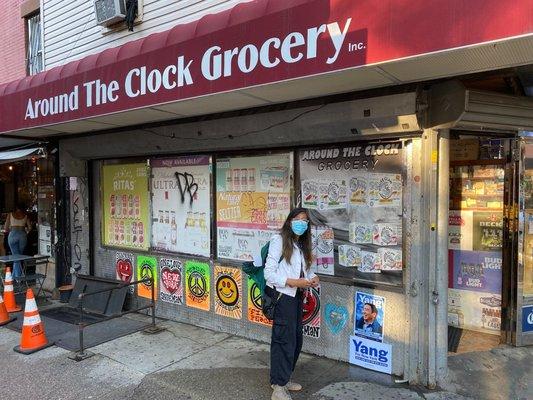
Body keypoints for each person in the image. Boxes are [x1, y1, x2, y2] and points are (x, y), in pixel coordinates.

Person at [264, 207, 319, 400]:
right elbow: (268, 273)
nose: (301, 223)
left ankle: (284, 378)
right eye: (298, 219)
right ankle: (278, 387)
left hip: (296, 296)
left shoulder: (301, 244)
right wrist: (294, 282)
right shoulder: (278, 240)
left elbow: (303, 270)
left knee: (295, 340)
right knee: (283, 341)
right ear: (289, 221)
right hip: (282, 297)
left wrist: (313, 277)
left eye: (305, 221)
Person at [3, 203, 31, 279]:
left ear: (16, 208)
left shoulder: (10, 214)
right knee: (18, 256)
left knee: (16, 256)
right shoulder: (25, 215)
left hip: (12, 235)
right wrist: (25, 232)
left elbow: (6, 228)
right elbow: (30, 228)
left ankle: (17, 277)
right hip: (22, 235)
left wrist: (11, 229)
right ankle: (16, 276)